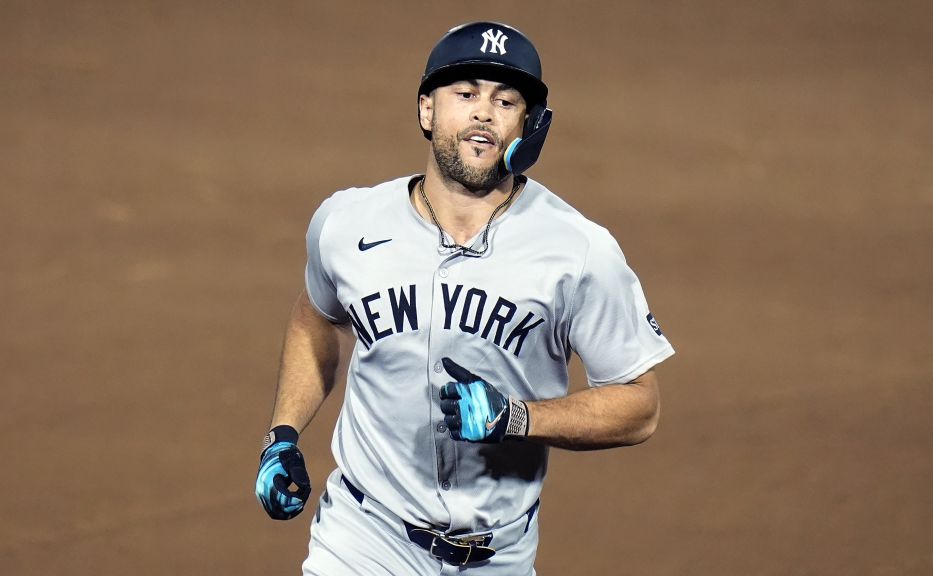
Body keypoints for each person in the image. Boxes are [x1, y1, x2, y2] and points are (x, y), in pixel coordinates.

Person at [255, 21, 675, 575]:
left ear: (530, 127)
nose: (484, 112)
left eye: (505, 101)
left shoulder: (579, 251)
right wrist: (282, 434)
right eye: (466, 94)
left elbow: (639, 406)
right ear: (427, 111)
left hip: (495, 557)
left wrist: (517, 418)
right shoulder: (347, 224)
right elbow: (316, 317)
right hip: (363, 538)